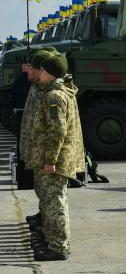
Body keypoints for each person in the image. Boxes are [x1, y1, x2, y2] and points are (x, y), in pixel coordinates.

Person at [29, 52, 85, 261]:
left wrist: (50, 161)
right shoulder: (57, 92)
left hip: (55, 161)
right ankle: (54, 242)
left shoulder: (54, 96)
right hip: (54, 159)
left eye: (42, 71)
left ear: (51, 74)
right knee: (51, 202)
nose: (39, 74)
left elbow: (57, 131)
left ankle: (59, 246)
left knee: (55, 204)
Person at [20, 49, 54, 242]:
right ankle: (45, 226)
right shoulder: (40, 87)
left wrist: (49, 158)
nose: (27, 70)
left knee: (52, 199)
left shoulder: (51, 93)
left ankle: (54, 240)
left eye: (32, 67)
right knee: (43, 193)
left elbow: (55, 129)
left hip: (46, 153)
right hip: (38, 149)